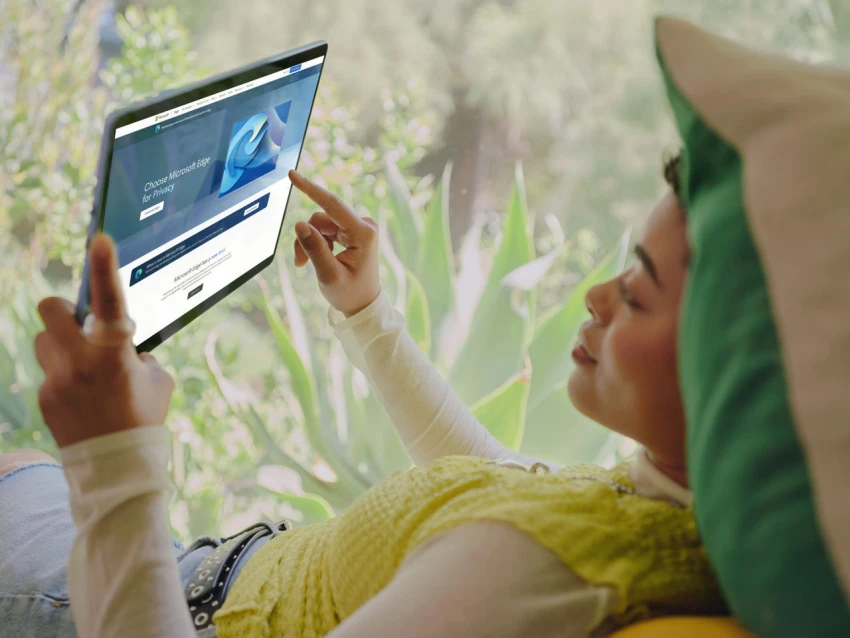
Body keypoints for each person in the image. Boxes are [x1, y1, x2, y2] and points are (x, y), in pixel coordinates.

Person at [0, 156, 723, 638]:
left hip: (184, 613)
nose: (598, 297)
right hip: (221, 579)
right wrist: (367, 315)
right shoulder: (670, 512)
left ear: (734, 373)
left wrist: (114, 463)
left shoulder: (538, 574)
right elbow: (503, 485)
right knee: (23, 463)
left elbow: (514, 538)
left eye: (637, 292)